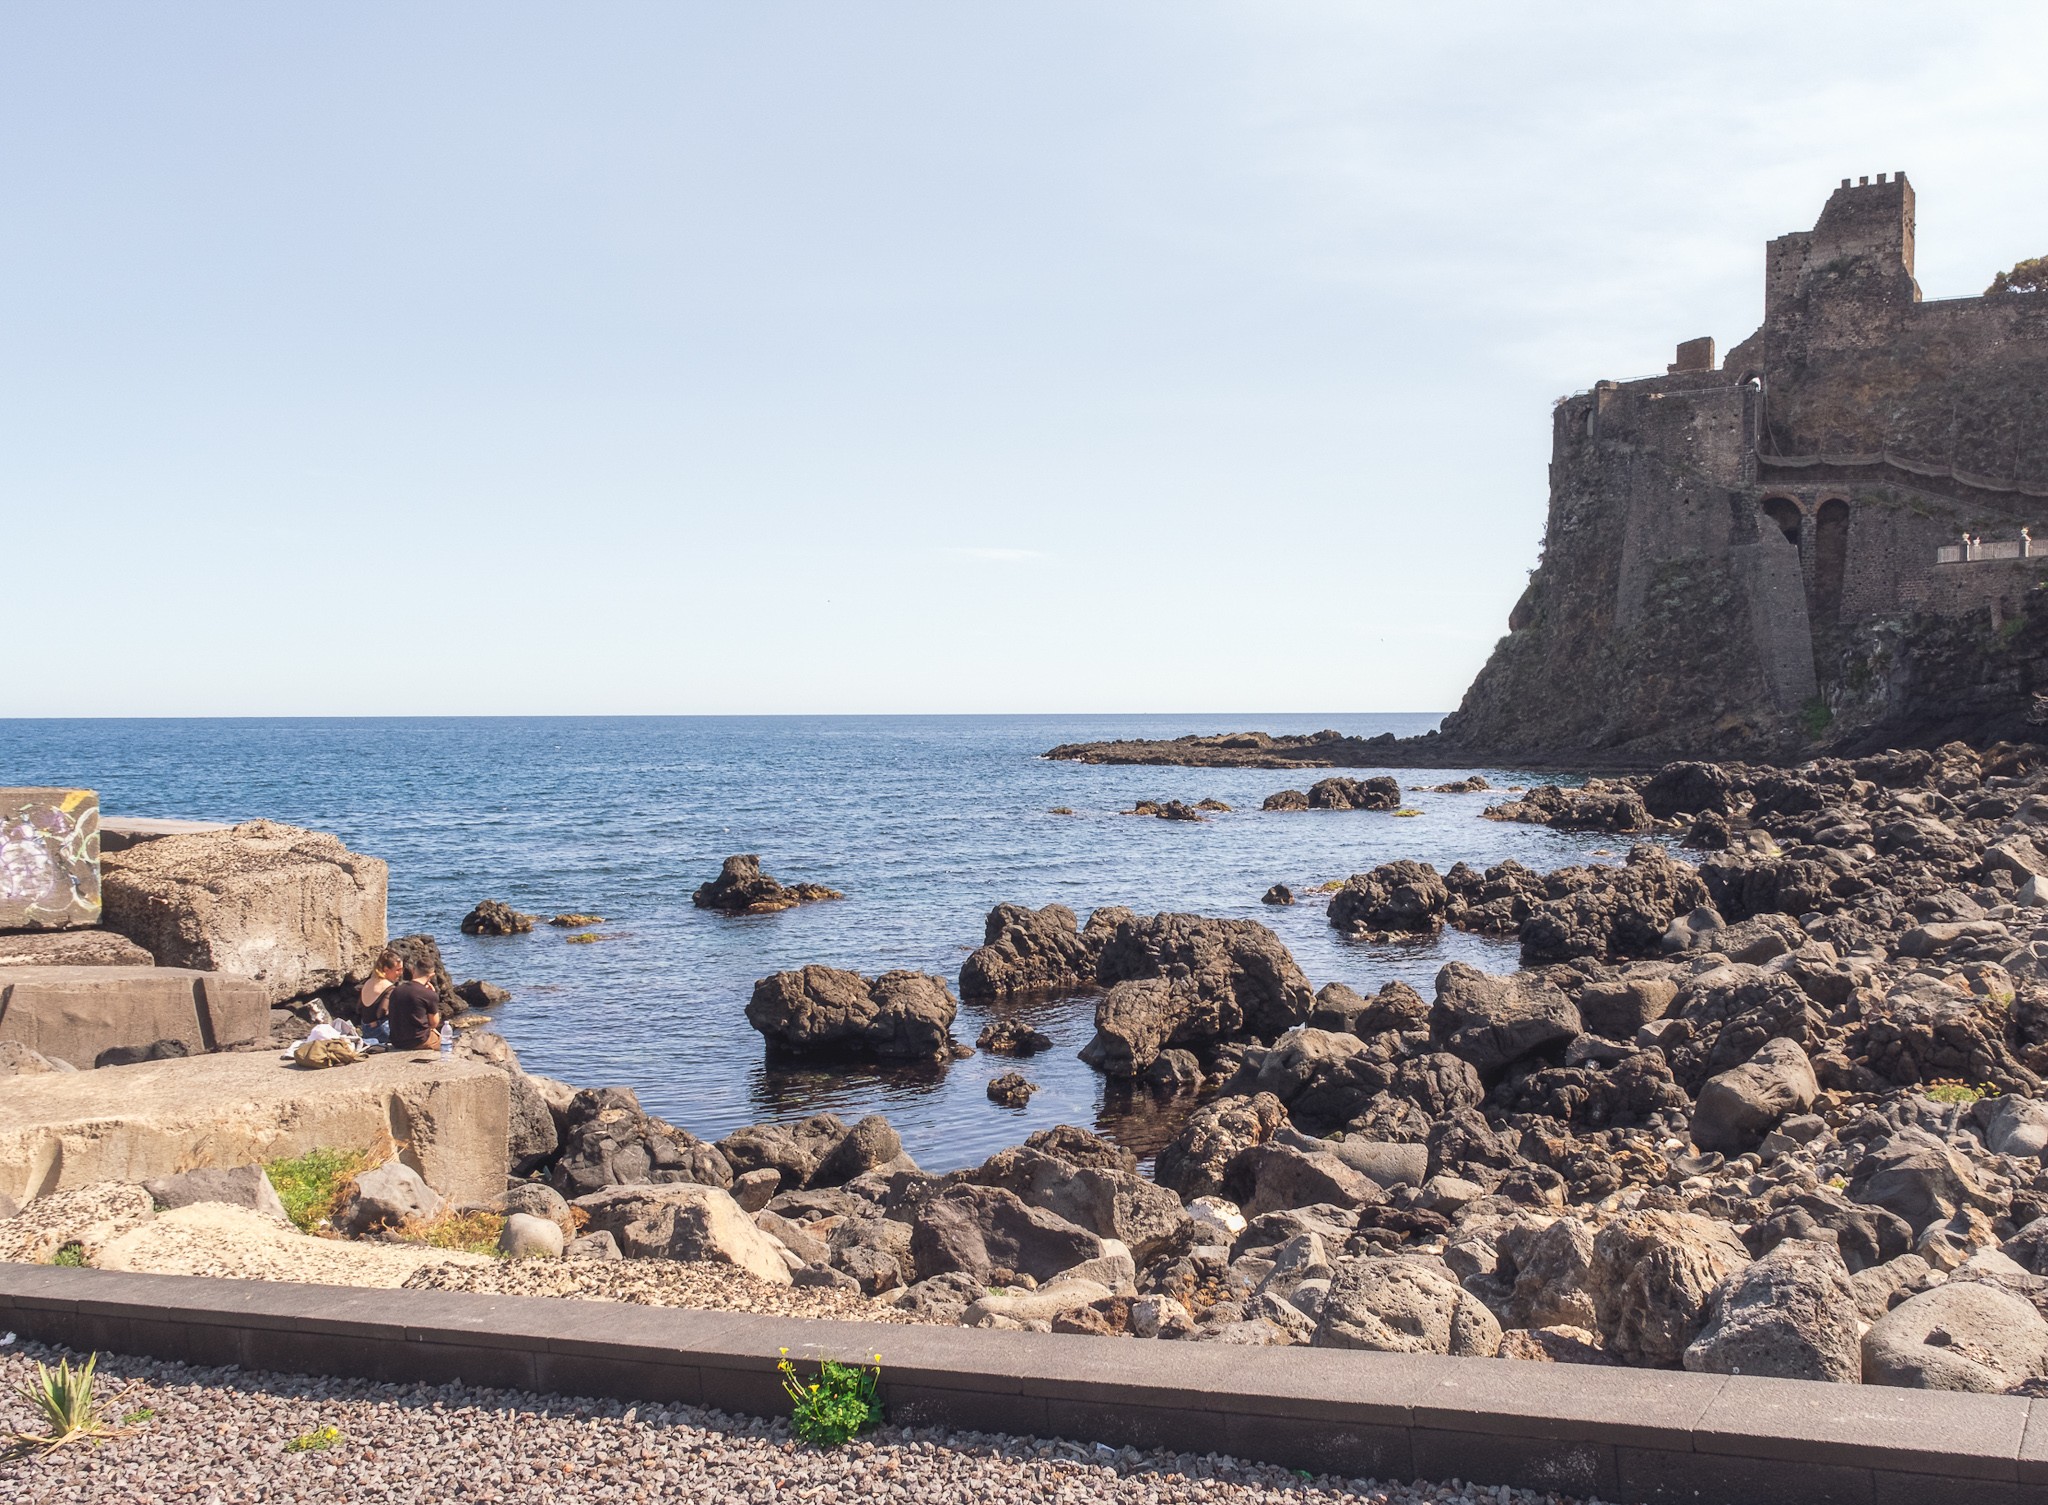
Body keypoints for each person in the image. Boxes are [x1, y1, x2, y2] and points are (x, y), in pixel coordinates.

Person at [386, 960, 442, 1052]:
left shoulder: (396, 990)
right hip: (419, 1040)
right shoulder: (429, 994)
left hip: (396, 1041)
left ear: (413, 970)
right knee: (447, 1042)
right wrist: (432, 996)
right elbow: (434, 1023)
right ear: (431, 975)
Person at [358, 950, 403, 1043]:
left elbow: (359, 1008)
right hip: (381, 1030)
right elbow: (382, 1011)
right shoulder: (389, 987)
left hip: (365, 1029)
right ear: (386, 969)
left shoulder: (368, 982)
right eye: (398, 970)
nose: (401, 973)